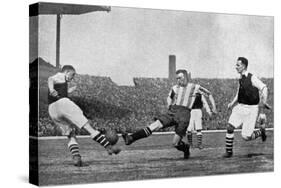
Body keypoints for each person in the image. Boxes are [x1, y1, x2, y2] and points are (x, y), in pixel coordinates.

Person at [122, 69, 217, 159]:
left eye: (180, 78)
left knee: (175, 143)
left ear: (185, 77)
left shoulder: (195, 87)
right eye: (177, 79)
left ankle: (186, 148)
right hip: (173, 111)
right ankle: (131, 138)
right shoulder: (175, 88)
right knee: (155, 125)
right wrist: (169, 103)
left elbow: (209, 94)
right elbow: (169, 97)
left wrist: (214, 108)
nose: (178, 80)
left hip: (184, 114)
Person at [48, 65, 121, 166]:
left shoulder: (61, 83)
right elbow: (50, 79)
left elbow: (59, 92)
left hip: (52, 110)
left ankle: (76, 157)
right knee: (88, 127)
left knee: (71, 135)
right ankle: (108, 146)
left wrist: (68, 91)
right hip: (63, 104)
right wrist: (51, 89)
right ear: (67, 72)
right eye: (72, 75)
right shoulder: (61, 76)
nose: (72, 78)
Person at [223, 57, 270, 158]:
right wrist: (231, 104)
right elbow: (238, 93)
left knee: (246, 137)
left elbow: (264, 88)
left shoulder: (252, 77)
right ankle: (229, 152)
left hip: (251, 109)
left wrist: (263, 102)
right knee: (229, 127)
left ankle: (260, 132)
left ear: (243, 66)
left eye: (238, 65)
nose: (236, 67)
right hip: (240, 107)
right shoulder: (240, 78)